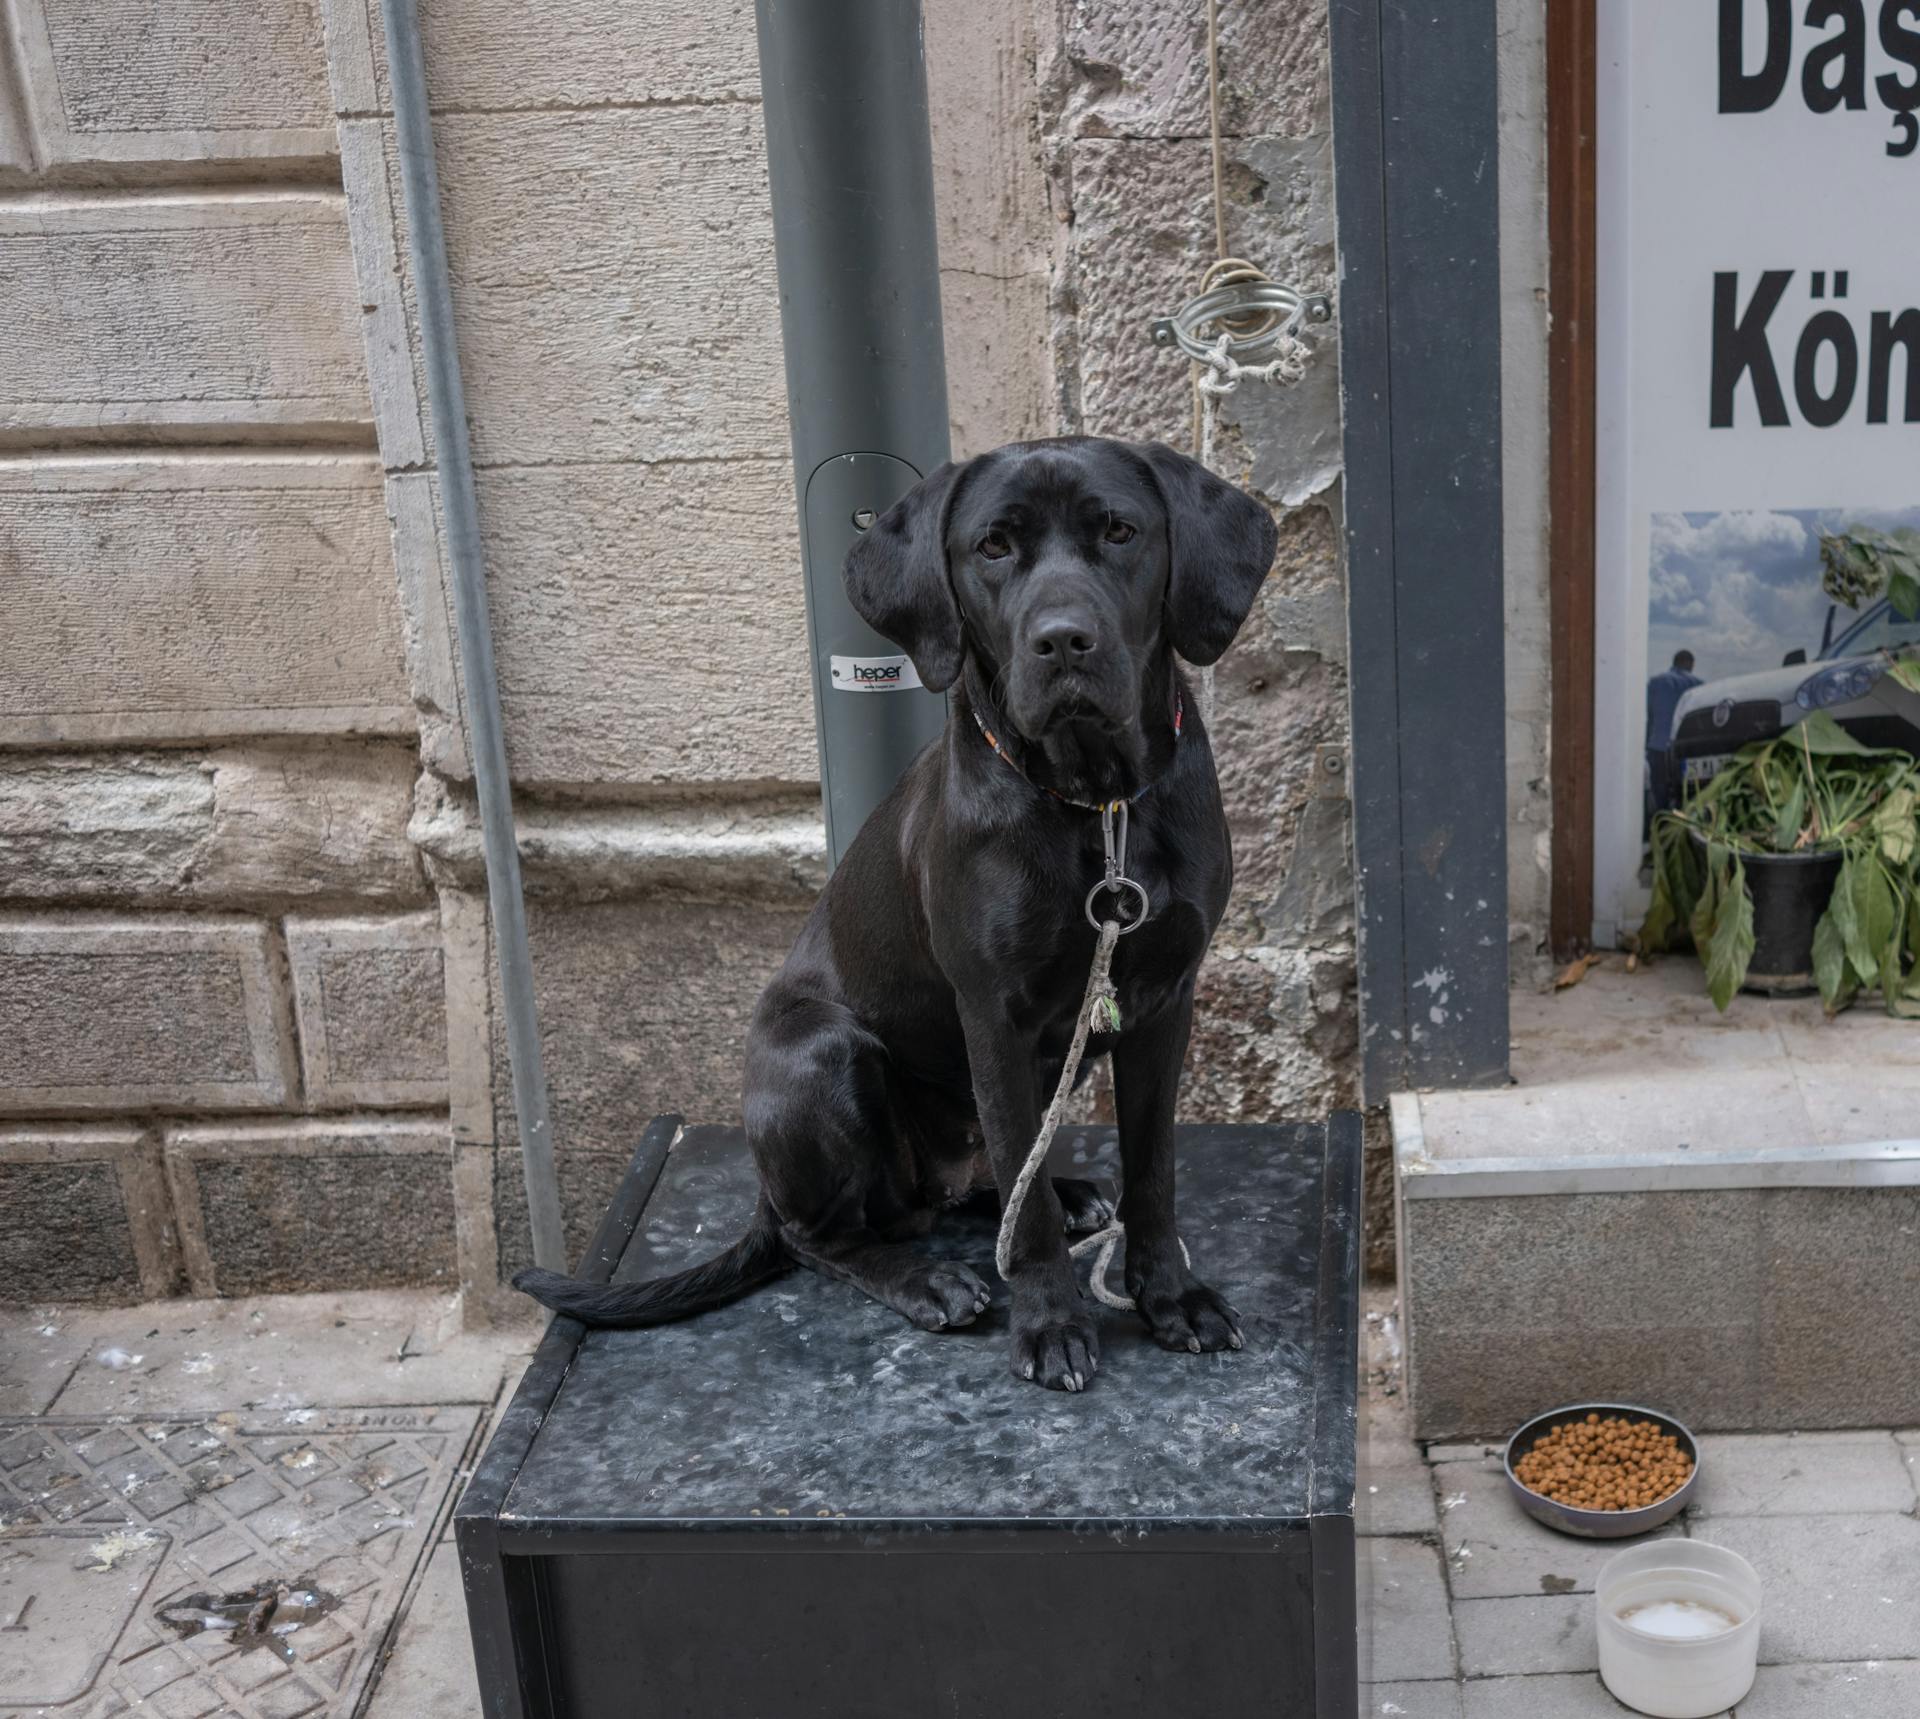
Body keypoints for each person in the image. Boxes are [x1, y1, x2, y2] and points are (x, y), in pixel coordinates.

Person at [1645, 649, 1701, 816]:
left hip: (1658, 747)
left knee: (1659, 792)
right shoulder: (1699, 684)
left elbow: (1650, 716)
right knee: (1687, 792)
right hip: (1686, 749)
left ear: (1674, 662)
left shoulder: (1655, 682)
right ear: (1691, 664)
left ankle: (1662, 824)